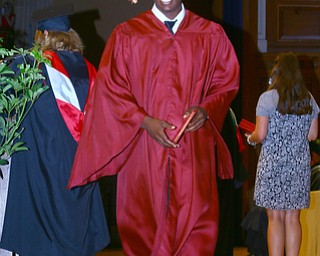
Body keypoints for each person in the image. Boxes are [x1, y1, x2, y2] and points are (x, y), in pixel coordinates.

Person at [68, 0, 240, 255]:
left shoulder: (210, 33)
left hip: (193, 153)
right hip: (143, 154)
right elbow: (110, 90)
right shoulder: (127, 34)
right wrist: (144, 121)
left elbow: (225, 83)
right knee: (143, 233)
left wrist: (206, 109)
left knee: (196, 235)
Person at [0, 12, 110, 256]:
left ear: (45, 35)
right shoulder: (91, 70)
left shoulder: (27, 67)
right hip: (79, 174)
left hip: (40, 178)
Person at [245, 52, 319, 256]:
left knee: (275, 218)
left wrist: (249, 138)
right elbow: (313, 135)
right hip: (298, 166)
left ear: (276, 72)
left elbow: (260, 134)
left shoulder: (267, 98)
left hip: (273, 166)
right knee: (293, 218)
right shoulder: (308, 99)